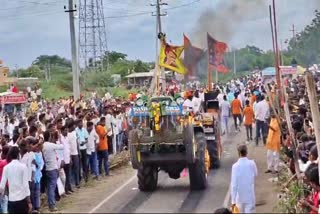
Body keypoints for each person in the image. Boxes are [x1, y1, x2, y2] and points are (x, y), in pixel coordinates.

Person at [0, 146, 31, 214]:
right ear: (18, 155)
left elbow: (2, 186)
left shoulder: (6, 168)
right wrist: (29, 201)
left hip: (11, 200)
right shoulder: (23, 167)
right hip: (22, 200)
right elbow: (26, 185)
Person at [231, 144, 258, 213]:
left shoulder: (235, 166)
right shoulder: (252, 163)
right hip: (250, 196)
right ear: (246, 152)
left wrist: (233, 201)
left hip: (239, 197)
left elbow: (234, 185)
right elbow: (256, 174)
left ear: (239, 153)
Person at [42, 131, 64, 212]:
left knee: (49, 187)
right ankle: (52, 204)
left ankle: (50, 203)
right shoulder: (50, 145)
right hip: (52, 168)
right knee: (52, 187)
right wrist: (61, 139)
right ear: (50, 137)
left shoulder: (43, 146)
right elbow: (61, 147)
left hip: (47, 168)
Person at [68, 121, 80, 188]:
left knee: (76, 168)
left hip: (75, 153)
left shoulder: (74, 133)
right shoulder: (67, 134)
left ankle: (77, 183)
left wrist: (78, 152)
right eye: (73, 126)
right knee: (70, 169)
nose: (74, 127)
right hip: (70, 154)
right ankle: (71, 183)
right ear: (71, 126)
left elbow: (76, 143)